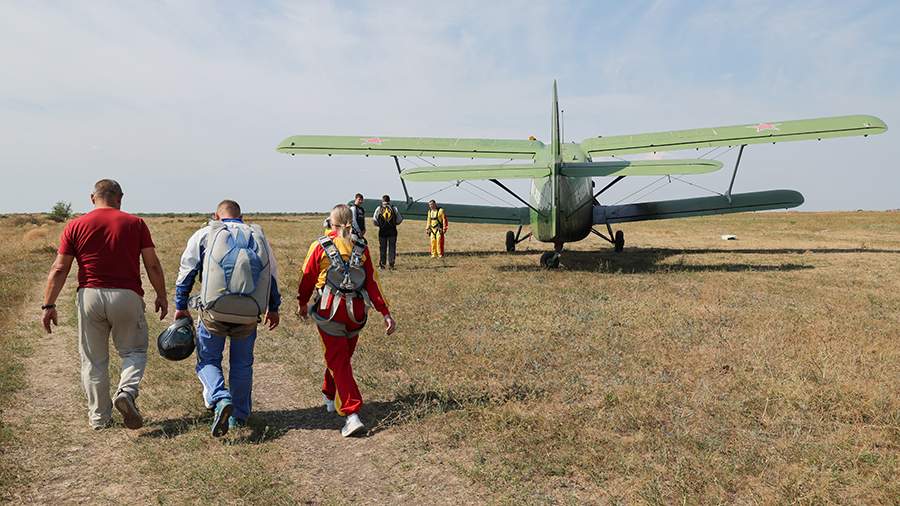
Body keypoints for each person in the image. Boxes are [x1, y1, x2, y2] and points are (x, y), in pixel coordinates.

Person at [41, 179, 168, 430]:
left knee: (93, 360)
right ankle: (127, 392)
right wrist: (161, 295)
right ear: (120, 198)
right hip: (127, 296)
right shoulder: (136, 223)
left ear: (92, 198)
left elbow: (59, 268)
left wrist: (48, 305)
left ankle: (99, 418)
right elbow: (152, 264)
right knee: (134, 352)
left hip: (89, 296)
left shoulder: (75, 225)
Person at [173, 200, 282, 437]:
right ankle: (238, 417)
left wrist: (181, 306)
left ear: (216, 216)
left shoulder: (205, 234)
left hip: (214, 312)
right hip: (249, 314)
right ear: (241, 216)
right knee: (242, 364)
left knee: (208, 360)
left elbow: (187, 271)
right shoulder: (257, 237)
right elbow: (271, 275)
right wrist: (273, 308)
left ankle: (220, 398)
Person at [297, 204, 397, 437]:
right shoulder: (361, 247)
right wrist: (385, 313)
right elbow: (372, 282)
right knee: (340, 358)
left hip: (329, 313)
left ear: (330, 223)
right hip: (357, 314)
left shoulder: (319, 246)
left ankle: (351, 414)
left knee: (339, 360)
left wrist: (302, 303)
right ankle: (329, 392)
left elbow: (307, 278)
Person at [372, 195, 403, 269]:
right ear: (389, 201)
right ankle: (391, 264)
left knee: (382, 248)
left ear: (382, 201)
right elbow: (399, 220)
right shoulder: (394, 208)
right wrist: (394, 224)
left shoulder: (379, 208)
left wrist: (380, 225)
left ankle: (382, 265)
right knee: (392, 248)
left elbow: (374, 220)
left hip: (382, 232)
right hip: (392, 231)